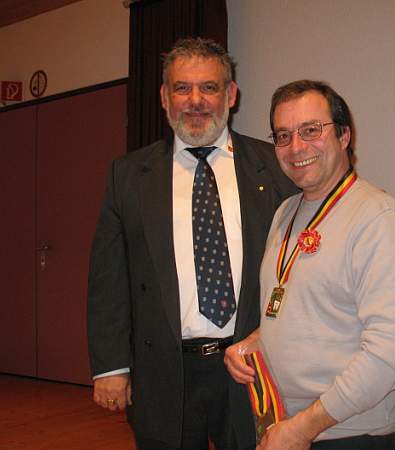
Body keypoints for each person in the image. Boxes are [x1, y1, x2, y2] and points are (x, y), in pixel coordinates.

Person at [87, 38, 297, 450]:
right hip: (164, 371)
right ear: (164, 97)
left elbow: (301, 266)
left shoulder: (274, 166)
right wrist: (111, 367)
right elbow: (108, 280)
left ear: (231, 94)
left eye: (209, 87)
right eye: (182, 88)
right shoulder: (128, 175)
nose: (195, 101)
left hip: (253, 366)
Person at [224, 80, 395, 450]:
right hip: (286, 424)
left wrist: (301, 429)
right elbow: (306, 309)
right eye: (283, 136)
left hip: (349, 435)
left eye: (311, 130)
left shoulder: (380, 219)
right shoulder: (286, 212)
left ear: (344, 135)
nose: (296, 147)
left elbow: (392, 352)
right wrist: (256, 342)